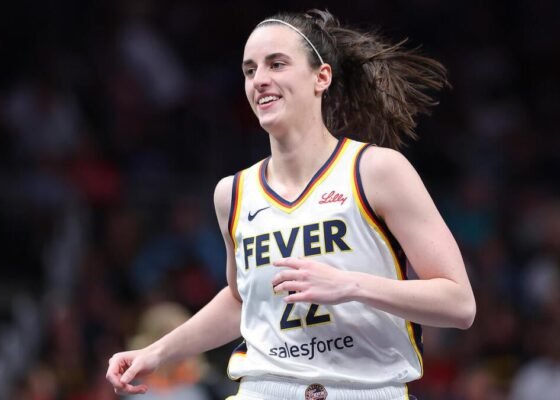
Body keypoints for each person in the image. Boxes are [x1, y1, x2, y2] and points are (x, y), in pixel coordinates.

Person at [106, 9, 476, 400]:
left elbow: (459, 303)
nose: (259, 80)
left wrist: (351, 285)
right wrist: (156, 352)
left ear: (322, 77)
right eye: (250, 70)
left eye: (277, 64)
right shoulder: (232, 194)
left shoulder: (377, 170)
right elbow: (241, 300)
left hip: (367, 389)